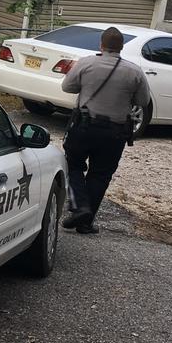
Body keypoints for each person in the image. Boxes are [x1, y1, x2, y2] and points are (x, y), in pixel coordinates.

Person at [60, 26, 150, 235]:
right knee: (100, 175)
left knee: (73, 165)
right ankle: (85, 222)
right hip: (114, 132)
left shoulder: (86, 63)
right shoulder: (134, 71)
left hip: (83, 126)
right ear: (121, 47)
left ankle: (80, 206)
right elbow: (142, 101)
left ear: (101, 44)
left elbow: (67, 87)